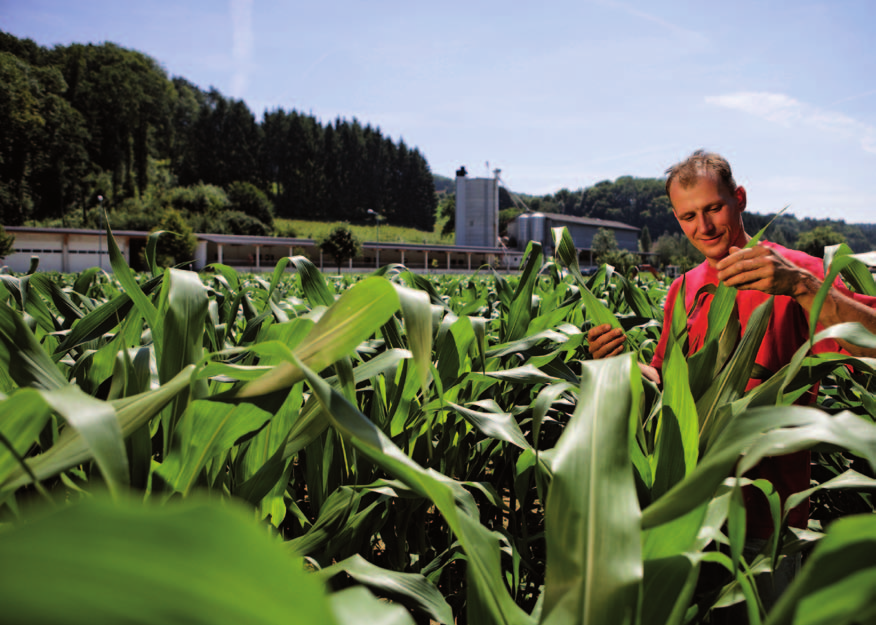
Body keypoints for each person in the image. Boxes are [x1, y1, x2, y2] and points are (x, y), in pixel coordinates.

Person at [587, 149, 876, 614]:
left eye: (713, 208)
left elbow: (869, 342)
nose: (702, 227)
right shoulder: (684, 290)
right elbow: (668, 382)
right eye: (688, 217)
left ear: (739, 199)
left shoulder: (793, 273)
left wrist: (802, 287)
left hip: (765, 519)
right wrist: (623, 365)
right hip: (687, 509)